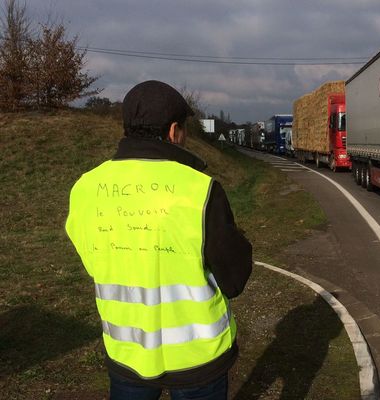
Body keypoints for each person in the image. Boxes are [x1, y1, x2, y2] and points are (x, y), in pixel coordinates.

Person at [65, 80, 252, 400]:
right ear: (173, 131)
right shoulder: (200, 189)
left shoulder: (85, 188)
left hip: (127, 352)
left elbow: (96, 263)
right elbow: (234, 280)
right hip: (198, 358)